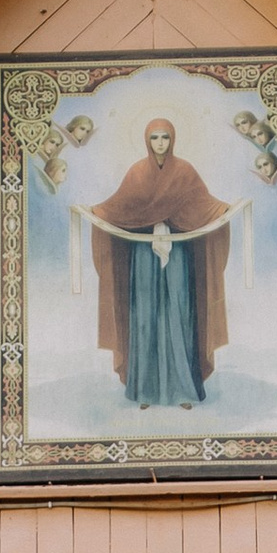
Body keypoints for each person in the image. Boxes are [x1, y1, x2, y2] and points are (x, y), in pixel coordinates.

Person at [88, 116, 237, 407]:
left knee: (179, 313)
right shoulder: (137, 173)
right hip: (143, 256)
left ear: (173, 139)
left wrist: (225, 209)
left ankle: (183, 390)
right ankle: (145, 390)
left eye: (165, 137)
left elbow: (203, 206)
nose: (160, 143)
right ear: (147, 140)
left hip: (178, 254)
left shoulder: (185, 171)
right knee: (144, 316)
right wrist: (93, 211)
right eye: (155, 137)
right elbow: (119, 208)